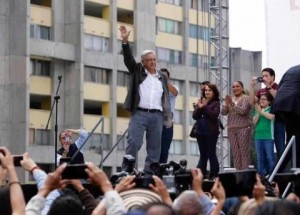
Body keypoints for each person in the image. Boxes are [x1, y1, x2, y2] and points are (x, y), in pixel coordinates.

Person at [119, 25, 172, 175]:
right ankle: (126, 172)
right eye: (149, 60)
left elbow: (166, 98)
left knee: (155, 148)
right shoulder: (138, 71)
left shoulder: (162, 76)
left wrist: (168, 117)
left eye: (154, 59)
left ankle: (150, 175)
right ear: (143, 62)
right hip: (140, 114)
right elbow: (128, 60)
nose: (152, 62)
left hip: (157, 115)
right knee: (134, 143)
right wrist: (125, 41)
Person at [250, 67, 286, 161]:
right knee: (266, 150)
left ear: (272, 76)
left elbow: (278, 98)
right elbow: (252, 102)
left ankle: (281, 171)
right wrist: (252, 87)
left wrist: (269, 86)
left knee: (280, 146)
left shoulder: (279, 87)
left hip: (277, 121)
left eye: (266, 76)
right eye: (262, 76)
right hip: (264, 123)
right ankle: (267, 172)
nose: (264, 78)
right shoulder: (261, 91)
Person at [271, 64, 300, 170]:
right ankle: (276, 173)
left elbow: (281, 86)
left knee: (293, 140)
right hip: (294, 105)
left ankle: (279, 172)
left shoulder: (292, 69)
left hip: (280, 105)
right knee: (295, 140)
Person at [221, 81, 252, 170]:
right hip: (231, 128)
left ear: (242, 88)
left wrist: (232, 104)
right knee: (235, 153)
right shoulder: (231, 98)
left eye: (237, 86)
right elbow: (223, 112)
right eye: (233, 87)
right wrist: (226, 105)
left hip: (243, 128)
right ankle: (238, 174)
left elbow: (243, 111)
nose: (235, 88)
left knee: (244, 152)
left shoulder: (246, 98)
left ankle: (245, 173)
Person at [192, 83, 221, 179]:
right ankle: (201, 174)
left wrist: (205, 107)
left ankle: (214, 174)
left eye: (209, 90)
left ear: (214, 92)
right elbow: (195, 116)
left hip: (211, 132)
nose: (207, 92)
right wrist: (199, 107)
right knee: (203, 154)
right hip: (200, 131)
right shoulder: (201, 101)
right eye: (206, 90)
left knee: (211, 153)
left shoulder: (216, 102)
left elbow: (214, 115)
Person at [253, 93, 276, 176]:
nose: (261, 101)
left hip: (268, 137)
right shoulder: (258, 109)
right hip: (258, 137)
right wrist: (259, 112)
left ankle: (271, 176)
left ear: (269, 101)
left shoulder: (271, 109)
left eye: (264, 99)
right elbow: (254, 122)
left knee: (270, 157)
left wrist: (261, 112)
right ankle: (261, 176)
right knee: (260, 158)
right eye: (260, 99)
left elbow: (271, 117)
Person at [159, 68, 178, 164]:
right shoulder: (155, 88)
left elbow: (175, 92)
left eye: (165, 76)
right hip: (156, 122)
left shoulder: (172, 87)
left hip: (168, 124)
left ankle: (161, 169)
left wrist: (164, 81)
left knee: (164, 150)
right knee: (154, 149)